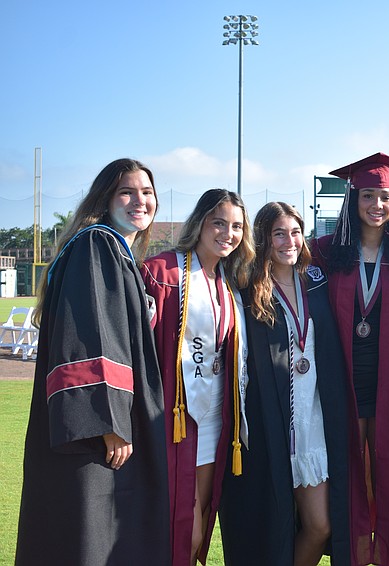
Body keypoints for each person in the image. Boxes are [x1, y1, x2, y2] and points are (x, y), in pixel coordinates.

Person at [16, 158, 170, 565]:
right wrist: (109, 424)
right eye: (127, 192)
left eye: (147, 192)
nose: (140, 201)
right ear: (105, 199)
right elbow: (90, 337)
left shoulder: (113, 250)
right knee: (89, 537)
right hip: (94, 431)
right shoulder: (96, 245)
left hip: (107, 425)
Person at [219, 202, 351, 566]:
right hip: (270, 426)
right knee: (272, 525)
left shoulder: (315, 280)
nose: (289, 241)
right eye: (279, 233)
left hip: (314, 422)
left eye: (295, 232)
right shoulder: (248, 290)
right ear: (263, 238)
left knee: (320, 525)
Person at [311, 152, 389, 565]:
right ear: (353, 200)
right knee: (350, 473)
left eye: (385, 197)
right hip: (342, 382)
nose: (377, 206)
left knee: (387, 474)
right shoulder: (323, 251)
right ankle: (355, 555)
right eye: (368, 197)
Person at [142, 189, 254, 566]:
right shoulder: (163, 272)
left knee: (201, 519)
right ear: (200, 223)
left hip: (216, 418)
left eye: (237, 226)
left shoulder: (230, 282)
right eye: (218, 223)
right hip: (175, 418)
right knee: (180, 525)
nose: (228, 233)